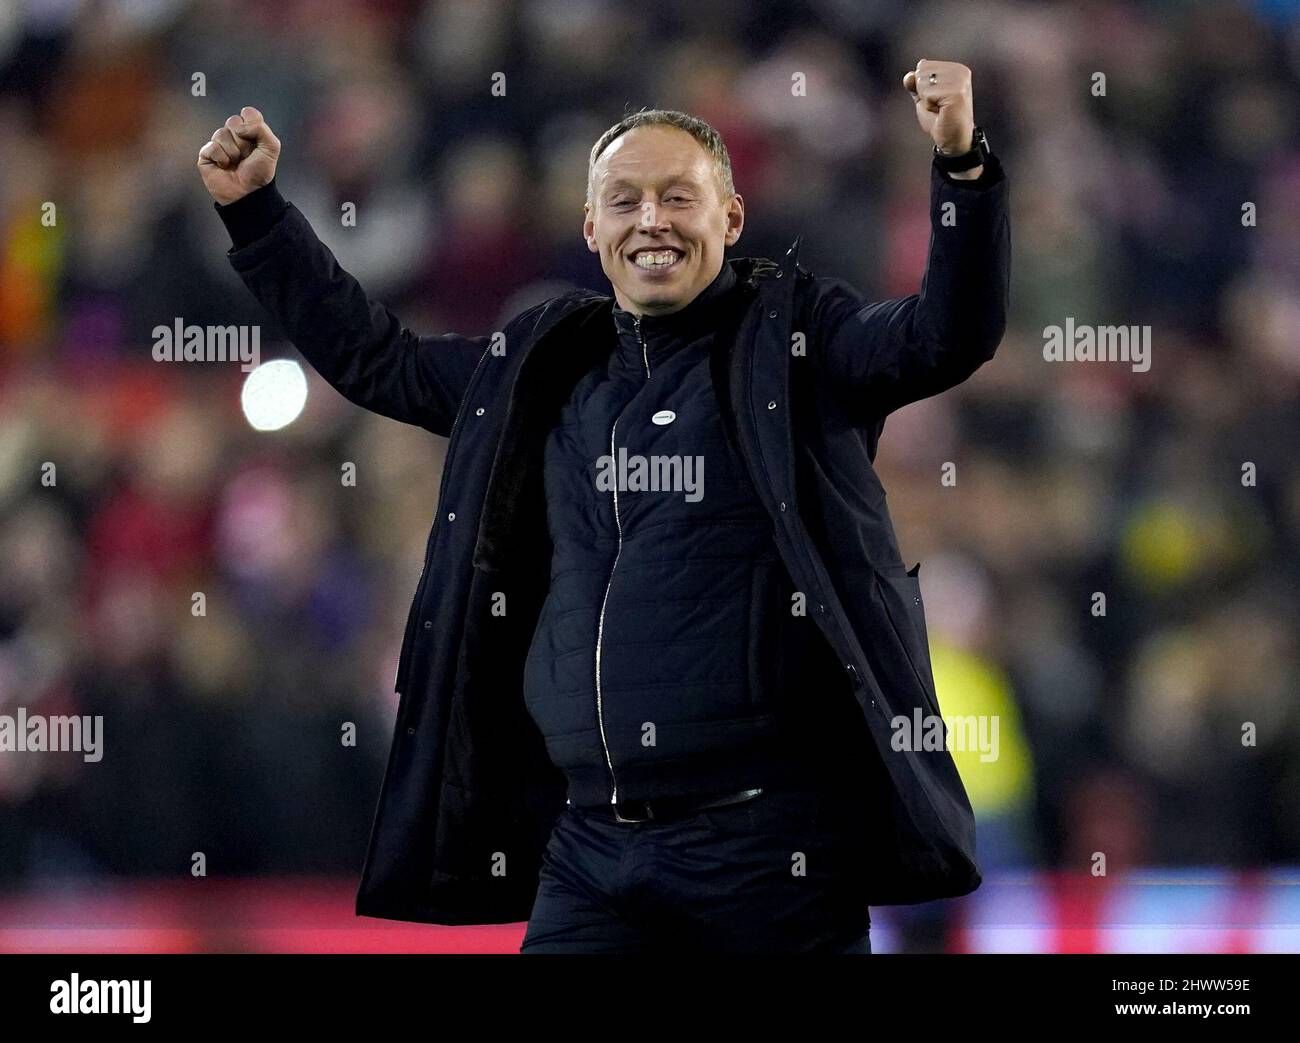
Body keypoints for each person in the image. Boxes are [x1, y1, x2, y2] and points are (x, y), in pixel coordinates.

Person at [197, 58, 1010, 953]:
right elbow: (377, 359)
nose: (650, 220)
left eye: (677, 197)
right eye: (623, 201)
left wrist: (962, 168)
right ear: (590, 227)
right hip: (591, 847)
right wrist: (259, 215)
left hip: (771, 854)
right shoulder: (540, 369)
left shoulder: (802, 341)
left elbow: (948, 333)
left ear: (730, 217)